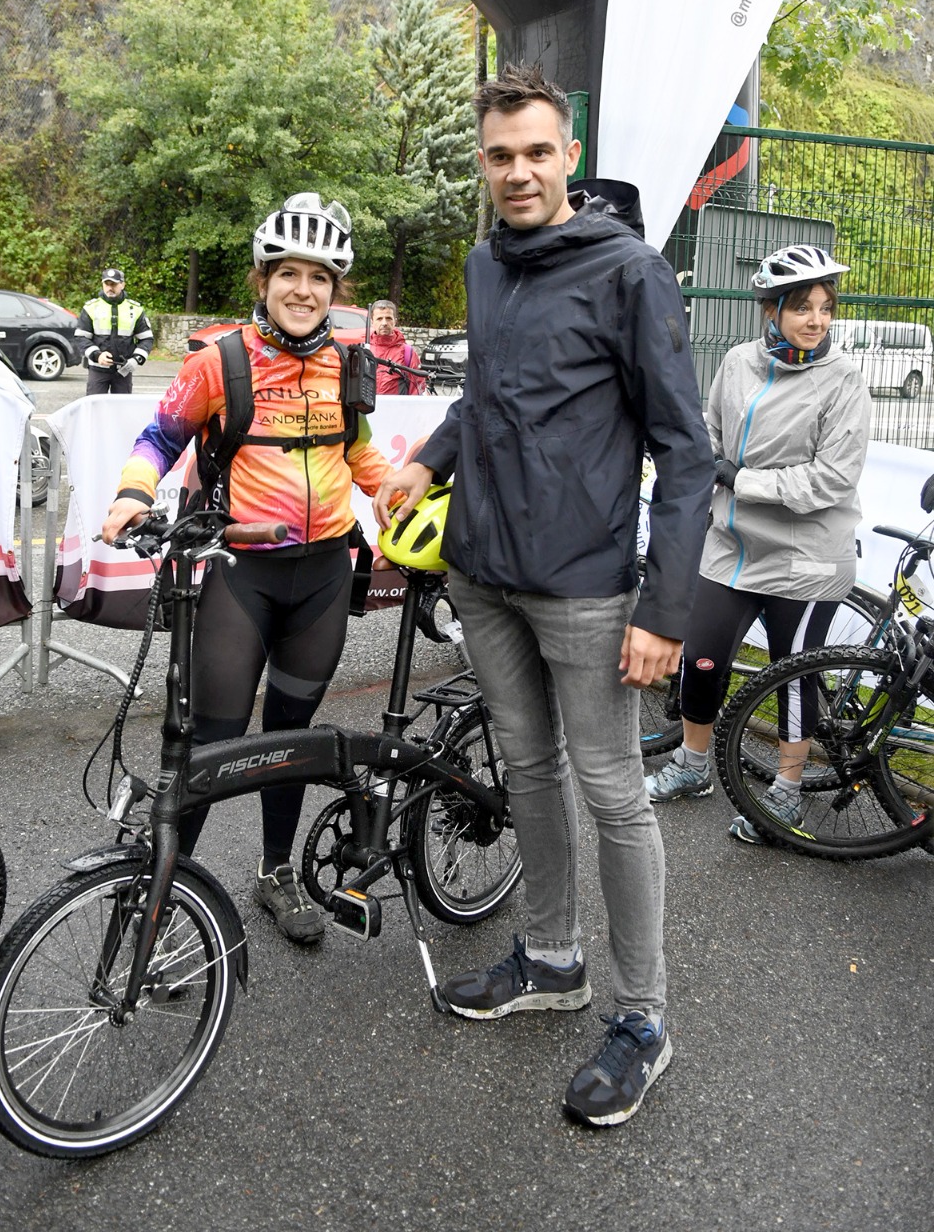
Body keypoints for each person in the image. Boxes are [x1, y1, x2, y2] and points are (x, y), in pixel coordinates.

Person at [372, 64, 713, 1128]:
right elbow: (486, 397)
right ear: (480, 164)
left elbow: (685, 452)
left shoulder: (628, 272)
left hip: (585, 587)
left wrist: (664, 607)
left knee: (612, 792)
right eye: (497, 155)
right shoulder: (484, 262)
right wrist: (429, 458)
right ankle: (552, 958)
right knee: (525, 772)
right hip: (483, 572)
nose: (516, 171)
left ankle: (641, 1018)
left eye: (535, 152)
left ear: (567, 155)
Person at [101, 194, 395, 943]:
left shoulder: (346, 363)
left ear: (337, 289)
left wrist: (394, 495)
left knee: (293, 737)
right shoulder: (219, 361)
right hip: (241, 573)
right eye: (289, 273)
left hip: (325, 574)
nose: (304, 289)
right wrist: (134, 494)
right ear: (262, 281)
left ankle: (275, 873)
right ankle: (165, 894)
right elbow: (158, 437)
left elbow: (358, 453)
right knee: (212, 744)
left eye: (321, 277)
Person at [644, 244, 872, 842]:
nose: (817, 320)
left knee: (791, 676)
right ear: (770, 311)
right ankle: (693, 767)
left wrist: (739, 478)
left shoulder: (843, 379)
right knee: (701, 658)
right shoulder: (738, 363)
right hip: (731, 545)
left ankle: (788, 794)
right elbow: (710, 436)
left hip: (807, 558)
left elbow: (832, 479)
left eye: (825, 308)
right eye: (802, 307)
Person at [75, 268, 154, 396]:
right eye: (107, 284)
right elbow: (81, 338)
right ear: (102, 284)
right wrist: (97, 355)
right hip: (98, 370)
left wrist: (136, 359)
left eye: (114, 284)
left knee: (122, 412)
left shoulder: (135, 309)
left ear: (122, 285)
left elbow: (146, 339)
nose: (110, 288)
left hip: (124, 370)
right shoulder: (91, 308)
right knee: (96, 410)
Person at [368, 299, 426, 396]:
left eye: (388, 318)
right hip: (367, 410)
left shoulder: (407, 353)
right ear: (372, 322)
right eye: (379, 319)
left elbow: (417, 389)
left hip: (397, 409)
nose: (384, 323)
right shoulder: (364, 350)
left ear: (395, 321)